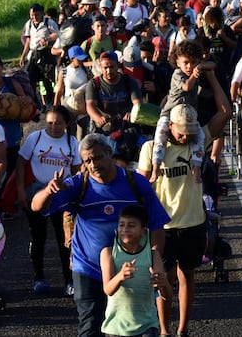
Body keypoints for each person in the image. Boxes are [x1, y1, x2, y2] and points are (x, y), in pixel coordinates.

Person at [31, 133, 170, 337]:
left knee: (131, 327)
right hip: (88, 267)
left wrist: (153, 260)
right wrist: (49, 191)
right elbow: (36, 206)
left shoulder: (136, 184)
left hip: (128, 269)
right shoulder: (78, 184)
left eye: (97, 157)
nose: (93, 164)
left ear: (109, 152)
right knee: (89, 327)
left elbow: (157, 224)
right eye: (87, 160)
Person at [136, 67, 232, 337]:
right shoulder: (151, 148)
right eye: (181, 132)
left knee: (187, 275)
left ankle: (184, 330)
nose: (186, 136)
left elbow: (225, 113)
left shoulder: (197, 141)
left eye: (191, 131)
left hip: (194, 222)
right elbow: (141, 187)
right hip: (162, 227)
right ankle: (165, 330)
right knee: (163, 279)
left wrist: (212, 77)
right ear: (169, 127)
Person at [16, 106, 81, 296]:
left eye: (58, 123)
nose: (53, 127)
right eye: (50, 123)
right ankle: (39, 277)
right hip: (37, 191)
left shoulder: (72, 142)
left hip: (61, 194)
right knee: (38, 236)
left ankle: (69, 280)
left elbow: (77, 170)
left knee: (64, 238)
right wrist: (21, 191)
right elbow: (20, 164)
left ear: (66, 123)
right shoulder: (34, 138)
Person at [99, 204, 171, 337]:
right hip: (116, 327)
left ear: (144, 231)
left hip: (147, 326)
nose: (125, 229)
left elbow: (167, 294)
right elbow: (108, 289)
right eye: (121, 225)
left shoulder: (153, 255)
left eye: (131, 225)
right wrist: (120, 276)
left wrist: (163, 283)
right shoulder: (108, 253)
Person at [150, 40, 213, 184]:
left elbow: (213, 65)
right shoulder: (178, 74)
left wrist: (201, 66)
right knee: (159, 138)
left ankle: (196, 167)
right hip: (171, 115)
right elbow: (186, 87)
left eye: (193, 62)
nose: (189, 66)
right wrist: (195, 74)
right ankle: (156, 167)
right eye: (186, 63)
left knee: (200, 138)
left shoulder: (196, 69)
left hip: (189, 116)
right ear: (178, 62)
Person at [85, 51, 142, 136]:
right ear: (100, 67)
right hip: (105, 127)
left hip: (127, 125)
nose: (109, 71)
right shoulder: (94, 84)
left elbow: (138, 103)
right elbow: (90, 105)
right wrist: (98, 118)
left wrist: (132, 113)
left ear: (118, 65)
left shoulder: (129, 81)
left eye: (112, 67)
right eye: (105, 68)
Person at [20, 3, 59, 109]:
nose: (34, 17)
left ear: (42, 13)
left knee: (47, 79)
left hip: (45, 53)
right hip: (34, 54)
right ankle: (35, 103)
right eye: (32, 15)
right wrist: (23, 55)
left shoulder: (48, 22)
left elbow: (57, 34)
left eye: (36, 15)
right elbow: (28, 40)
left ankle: (50, 103)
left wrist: (47, 39)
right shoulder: (29, 24)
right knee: (30, 78)